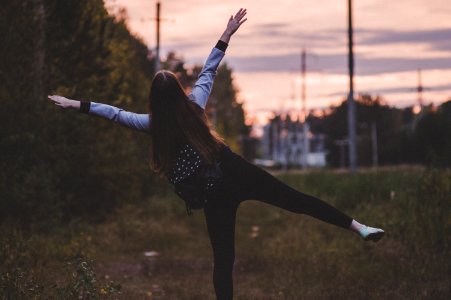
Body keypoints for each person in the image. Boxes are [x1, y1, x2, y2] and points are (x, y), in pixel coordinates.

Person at [48, 8, 384, 300]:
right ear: (179, 92)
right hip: (234, 170)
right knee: (296, 200)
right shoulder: (194, 107)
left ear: (155, 98)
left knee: (223, 260)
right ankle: (358, 227)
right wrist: (226, 33)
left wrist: (76, 104)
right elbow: (209, 69)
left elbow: (114, 113)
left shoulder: (152, 125)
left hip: (210, 194)